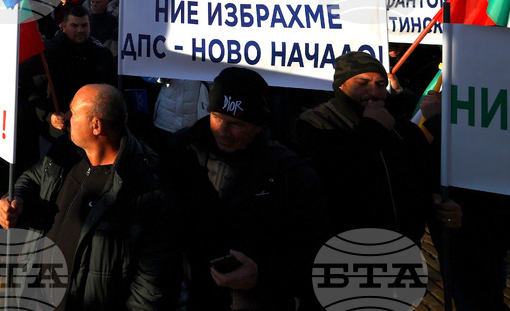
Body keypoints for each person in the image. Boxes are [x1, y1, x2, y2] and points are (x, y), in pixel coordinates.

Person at [0, 84, 174, 310]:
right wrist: (17, 201)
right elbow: (32, 177)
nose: (66, 117)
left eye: (74, 112)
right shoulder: (64, 151)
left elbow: (150, 288)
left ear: (96, 125)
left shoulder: (146, 190)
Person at [165, 68, 322, 310]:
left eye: (236, 124)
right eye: (216, 116)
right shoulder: (181, 152)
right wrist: (175, 252)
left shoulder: (291, 175)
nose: (223, 131)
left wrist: (261, 276)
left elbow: (314, 258)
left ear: (258, 125)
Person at [291, 51, 461, 244]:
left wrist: (442, 204)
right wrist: (372, 129)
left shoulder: (401, 126)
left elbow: (423, 176)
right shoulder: (315, 123)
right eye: (362, 83)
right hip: (344, 247)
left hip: (403, 244)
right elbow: (333, 174)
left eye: (381, 84)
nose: (373, 92)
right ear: (341, 85)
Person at [20, 6, 116, 157]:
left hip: (93, 136)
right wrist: (49, 116)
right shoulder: (47, 54)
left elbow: (112, 91)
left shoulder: (101, 54)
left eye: (84, 25)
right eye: (74, 25)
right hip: (56, 135)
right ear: (63, 26)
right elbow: (32, 95)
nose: (80, 30)